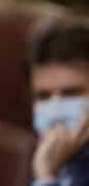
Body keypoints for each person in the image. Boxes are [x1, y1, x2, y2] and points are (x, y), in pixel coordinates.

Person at [29, 25, 89, 186]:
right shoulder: (50, 156)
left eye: (71, 93)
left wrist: (46, 177)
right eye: (44, 96)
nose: (56, 111)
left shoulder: (46, 164)